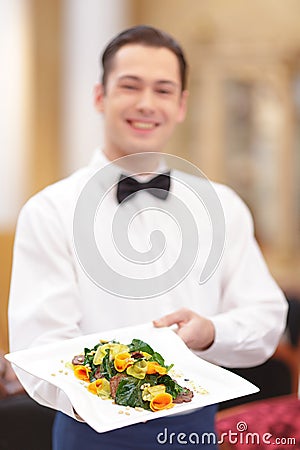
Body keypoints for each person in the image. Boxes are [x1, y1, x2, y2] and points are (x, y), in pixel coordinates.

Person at [8, 25, 287, 449]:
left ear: (181, 105)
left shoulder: (224, 207)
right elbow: (38, 348)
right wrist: (109, 392)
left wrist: (209, 331)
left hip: (195, 431)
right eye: (130, 86)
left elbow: (267, 318)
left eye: (162, 90)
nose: (145, 104)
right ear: (100, 96)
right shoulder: (50, 211)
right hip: (91, 433)